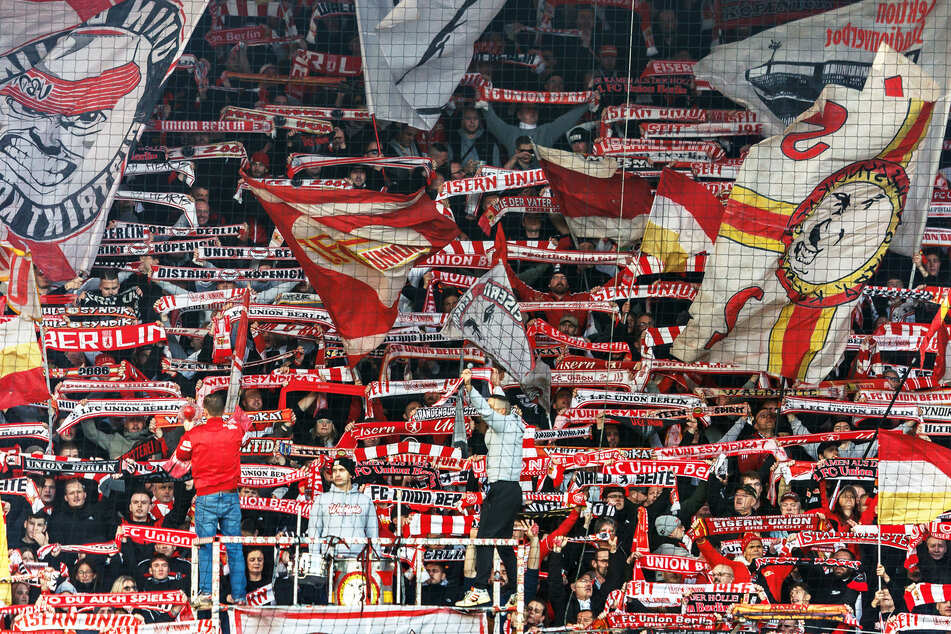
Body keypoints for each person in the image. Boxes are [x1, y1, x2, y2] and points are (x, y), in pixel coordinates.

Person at [172, 393, 251, 607]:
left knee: (206, 545)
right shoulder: (234, 430)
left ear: (204, 412)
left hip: (206, 497)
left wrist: (188, 429)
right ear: (223, 410)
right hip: (231, 496)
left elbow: (181, 455)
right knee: (234, 545)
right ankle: (240, 596)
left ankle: (207, 592)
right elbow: (246, 427)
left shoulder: (195, 434)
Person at [456, 368, 525, 607]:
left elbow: (487, 409)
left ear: (503, 411)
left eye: (493, 407)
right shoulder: (509, 422)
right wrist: (495, 384)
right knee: (503, 543)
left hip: (503, 489)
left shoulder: (505, 423)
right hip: (506, 490)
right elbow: (495, 404)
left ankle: (480, 588)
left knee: (484, 537)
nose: (488, 412)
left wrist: (468, 387)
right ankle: (518, 590)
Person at [300, 456, 377, 604]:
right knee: (329, 607)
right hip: (329, 563)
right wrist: (316, 562)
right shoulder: (322, 499)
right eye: (334, 470)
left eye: (341, 470)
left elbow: (373, 535)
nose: (337, 474)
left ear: (351, 474)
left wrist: (374, 563)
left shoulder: (365, 500)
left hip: (358, 563)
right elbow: (314, 531)